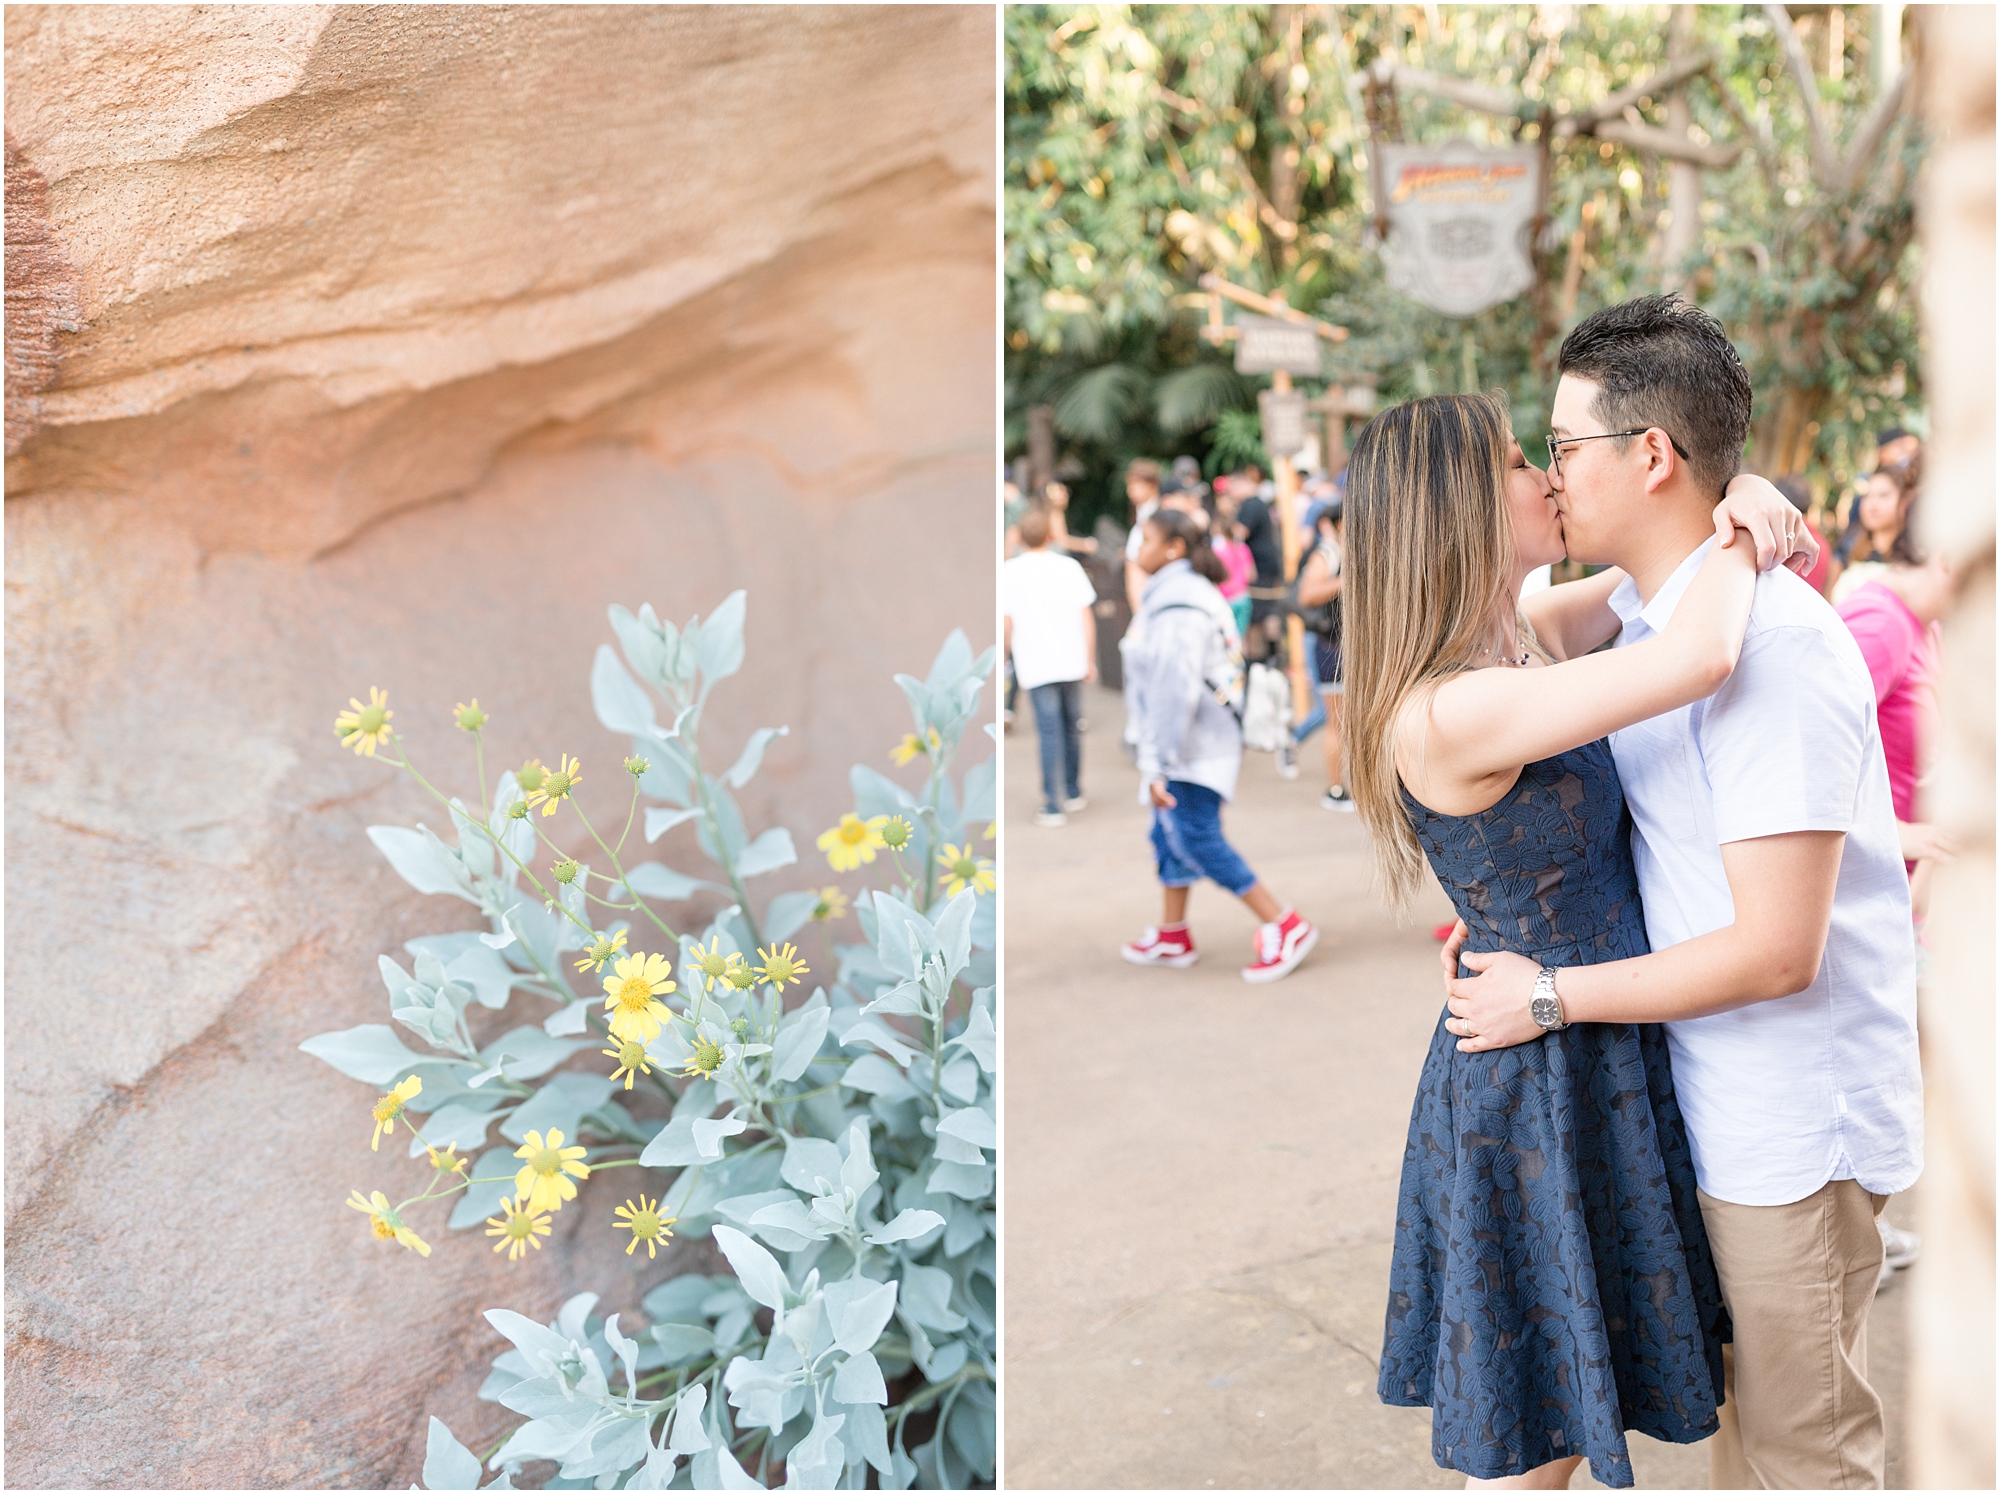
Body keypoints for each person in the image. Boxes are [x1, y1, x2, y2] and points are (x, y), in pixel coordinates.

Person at [1440, 296, 1918, 1491]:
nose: (1550, 476)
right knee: (1733, 1452)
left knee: (1800, 1459)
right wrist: (1738, 522)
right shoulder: (1647, 624)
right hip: (1692, 1096)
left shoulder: (1772, 649)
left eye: (1560, 446)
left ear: (1647, 455)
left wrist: (1547, 993)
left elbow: (1773, 953)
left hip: (1781, 1121)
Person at [1120, 507, 1318, 983]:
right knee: (1168, 833)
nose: (1136, 549)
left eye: (1145, 539)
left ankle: (1284, 924)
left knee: (1194, 837)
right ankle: (1173, 934)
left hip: (1191, 746)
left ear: (1174, 548)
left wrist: (1156, 762)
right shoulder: (1180, 593)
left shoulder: (1178, 604)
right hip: (1196, 741)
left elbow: (1174, 690)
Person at [1836, 534, 1955, 1293]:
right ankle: (1853, 1236)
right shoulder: (1877, 625)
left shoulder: (1925, 627)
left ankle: (1865, 1230)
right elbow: (1813, 747)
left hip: (1908, 890)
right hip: (1871, 887)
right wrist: (1900, 836)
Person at [1003, 506, 1097, 827]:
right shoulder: (1069, 567)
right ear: (1051, 534)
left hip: (1035, 662)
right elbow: (1087, 618)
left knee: (1049, 732)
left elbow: (1006, 623)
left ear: (1018, 536)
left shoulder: (1009, 571)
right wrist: (1089, 659)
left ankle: (1052, 804)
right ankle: (1072, 790)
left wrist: (1003, 660)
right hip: (1071, 659)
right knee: (1072, 726)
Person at [1293, 499, 1352, 810]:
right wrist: (1345, 581)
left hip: (1350, 647)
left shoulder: (1354, 551)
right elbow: (1307, 593)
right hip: (1332, 646)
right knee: (1336, 722)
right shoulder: (1328, 554)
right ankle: (1336, 789)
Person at [1829, 454, 1921, 605]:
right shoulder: (1848, 548)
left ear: (1904, 502)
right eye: (1868, 496)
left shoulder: (1910, 560)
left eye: (1883, 496)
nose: (1873, 504)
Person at [1122, 459, 1163, 614]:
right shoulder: (1141, 514)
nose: (1130, 491)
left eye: (1134, 485)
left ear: (1151, 485)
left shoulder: (1161, 518)